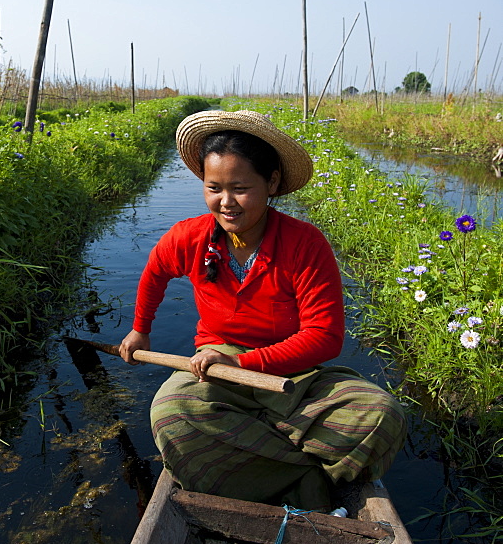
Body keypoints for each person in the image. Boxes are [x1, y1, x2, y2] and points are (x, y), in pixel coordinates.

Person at [119, 109, 406, 510]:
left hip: (291, 374)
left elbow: (325, 337)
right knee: (171, 414)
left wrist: (248, 365)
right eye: (214, 188)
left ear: (271, 183)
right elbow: (154, 272)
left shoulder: (304, 243)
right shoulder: (190, 237)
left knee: (381, 415)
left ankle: (261, 460)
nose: (226, 203)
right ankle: (307, 479)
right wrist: (140, 329)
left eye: (240, 188)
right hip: (218, 366)